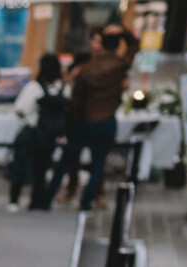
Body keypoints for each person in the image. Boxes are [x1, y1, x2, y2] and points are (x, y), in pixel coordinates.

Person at [45, 24, 139, 212]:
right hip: (106, 122)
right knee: (98, 166)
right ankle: (86, 203)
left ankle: (46, 199)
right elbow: (134, 45)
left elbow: (76, 101)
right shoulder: (120, 65)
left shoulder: (86, 70)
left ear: (101, 44)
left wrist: (71, 125)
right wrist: (124, 33)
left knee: (66, 163)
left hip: (85, 122)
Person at [9, 54, 69, 211]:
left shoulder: (34, 87)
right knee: (41, 170)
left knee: (21, 166)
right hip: (50, 136)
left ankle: (14, 200)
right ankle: (38, 201)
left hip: (32, 132)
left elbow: (20, 109)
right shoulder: (62, 88)